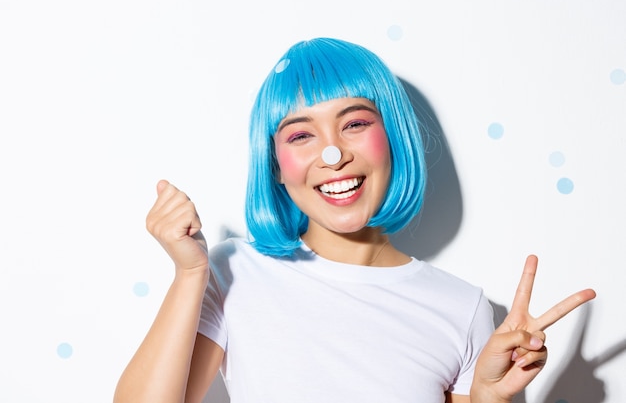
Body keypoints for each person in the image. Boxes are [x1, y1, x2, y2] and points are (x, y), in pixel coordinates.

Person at [113, 38, 596, 403]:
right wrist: (191, 273)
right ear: (276, 167)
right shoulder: (232, 271)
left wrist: (490, 398)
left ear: (395, 139)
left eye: (355, 124)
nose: (332, 153)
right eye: (301, 135)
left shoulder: (463, 308)